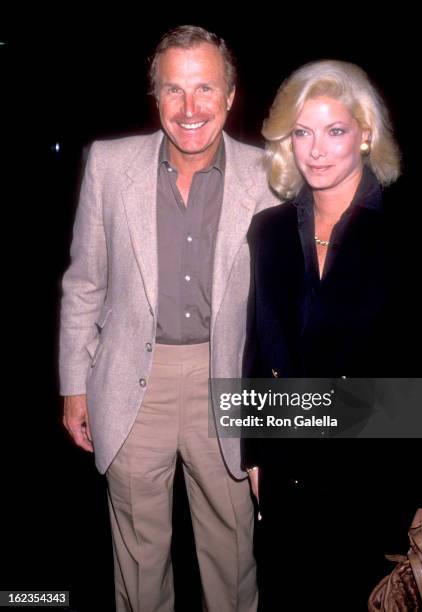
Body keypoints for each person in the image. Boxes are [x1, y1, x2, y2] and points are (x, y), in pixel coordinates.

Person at [59, 25, 279, 612]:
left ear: (230, 96)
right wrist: (74, 386)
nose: (189, 108)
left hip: (230, 381)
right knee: (139, 556)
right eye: (173, 90)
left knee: (234, 553)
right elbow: (85, 282)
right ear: (155, 95)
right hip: (133, 377)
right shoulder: (109, 164)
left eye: (205, 88)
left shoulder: (272, 177)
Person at [241, 60, 422, 610]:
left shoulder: (413, 229)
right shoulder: (267, 231)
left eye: (334, 130)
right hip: (288, 482)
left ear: (365, 134)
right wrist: (254, 455)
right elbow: (259, 346)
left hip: (377, 485)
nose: (316, 149)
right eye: (302, 132)